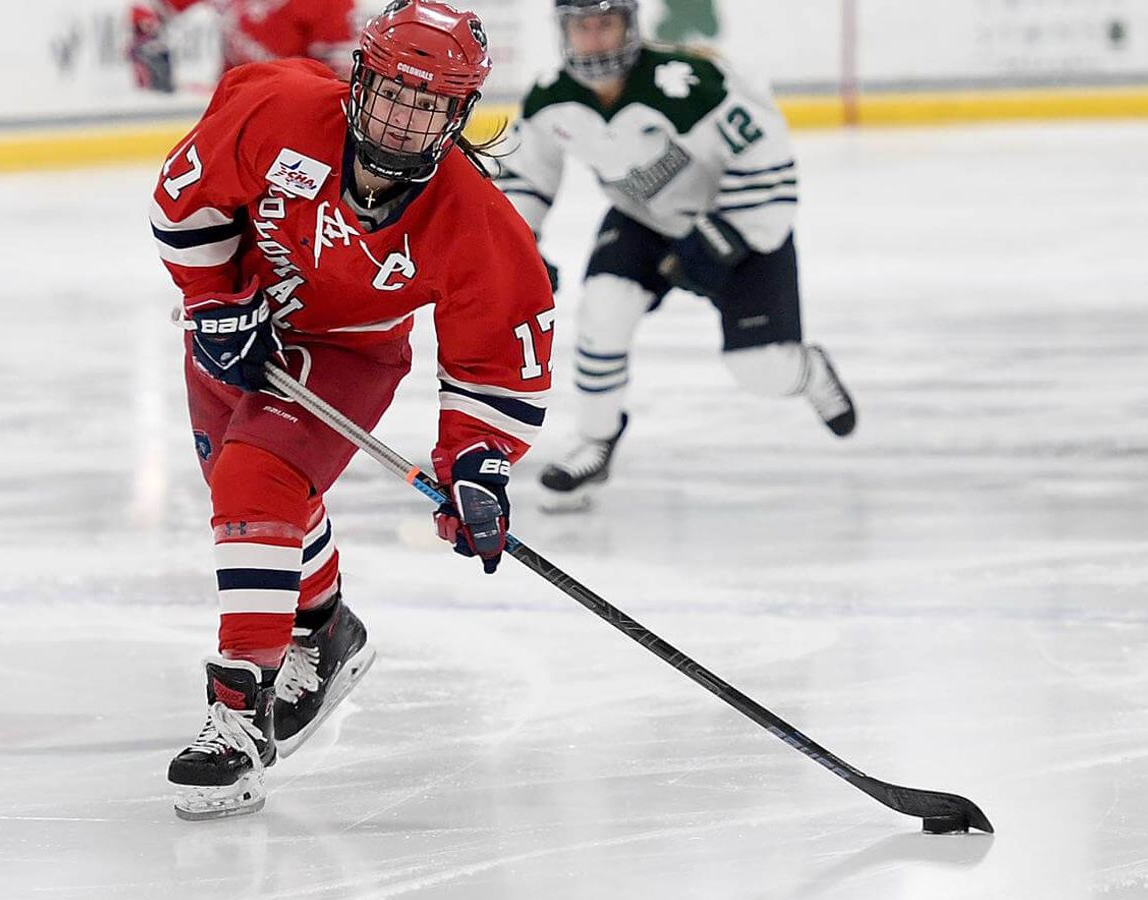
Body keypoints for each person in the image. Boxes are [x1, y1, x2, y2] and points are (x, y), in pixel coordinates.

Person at [151, 0, 555, 820]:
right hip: (240, 318)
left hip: (348, 353)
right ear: (360, 78)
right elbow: (181, 199)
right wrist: (216, 295)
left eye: (428, 104)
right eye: (393, 94)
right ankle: (328, 629)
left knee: (253, 483)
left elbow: (498, 362)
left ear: (457, 116)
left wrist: (477, 465)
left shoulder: (472, 217)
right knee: (255, 503)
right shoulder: (282, 112)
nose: (403, 120)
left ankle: (237, 718)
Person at [497, 0, 856, 511]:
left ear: (630, 24)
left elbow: (768, 158)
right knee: (603, 307)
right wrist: (518, 243)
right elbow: (524, 177)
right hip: (645, 220)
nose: (595, 38)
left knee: (761, 370)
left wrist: (719, 239)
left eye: (607, 23)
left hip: (740, 225)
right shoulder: (552, 97)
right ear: (564, 32)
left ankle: (810, 371)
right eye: (582, 26)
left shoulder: (692, 81)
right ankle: (596, 441)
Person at [128, 0, 357, 92]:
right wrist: (146, 34)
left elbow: (339, 80)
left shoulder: (331, 4)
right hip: (230, 107)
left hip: (288, 115)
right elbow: (153, 7)